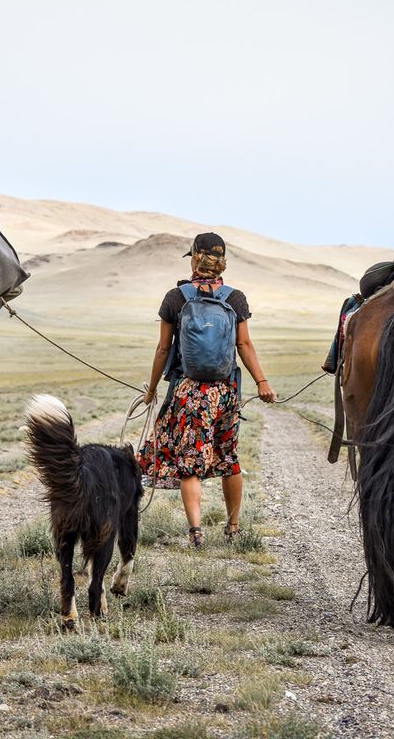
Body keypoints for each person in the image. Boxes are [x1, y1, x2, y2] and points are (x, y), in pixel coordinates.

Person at [138, 232, 276, 549]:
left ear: (195, 259)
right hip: (226, 391)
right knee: (228, 457)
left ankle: (196, 533)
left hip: (189, 391)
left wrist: (152, 390)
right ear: (221, 262)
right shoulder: (235, 298)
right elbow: (244, 344)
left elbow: (162, 349)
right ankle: (233, 527)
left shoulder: (176, 297)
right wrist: (262, 382)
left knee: (191, 461)